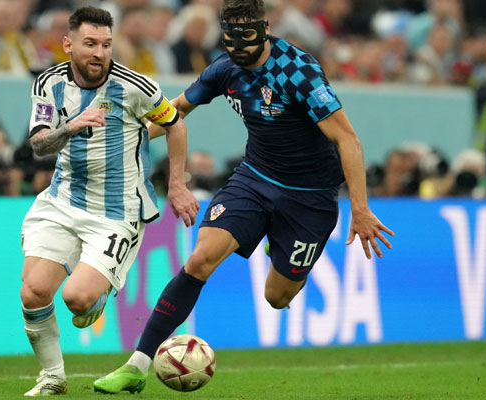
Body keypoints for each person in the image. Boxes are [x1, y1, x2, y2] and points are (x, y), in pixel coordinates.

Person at [93, 0, 394, 394]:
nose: (237, 46)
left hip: (310, 198)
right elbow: (176, 110)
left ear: (264, 29)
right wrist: (122, 144)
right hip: (255, 180)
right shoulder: (225, 69)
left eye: (246, 37)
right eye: (230, 37)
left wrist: (360, 209)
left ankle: (278, 248)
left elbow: (346, 138)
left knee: (277, 296)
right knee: (200, 258)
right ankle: (137, 365)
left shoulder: (298, 71)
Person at [18, 6, 198, 396]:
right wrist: (71, 126)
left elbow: (174, 123)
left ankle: (94, 296)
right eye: (90, 44)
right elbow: (38, 145)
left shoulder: (136, 86)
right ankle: (52, 376)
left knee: (77, 299)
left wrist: (178, 185)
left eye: (106, 44)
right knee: (33, 291)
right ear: (68, 44)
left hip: (116, 212)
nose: (99, 52)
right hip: (62, 201)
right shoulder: (47, 83)